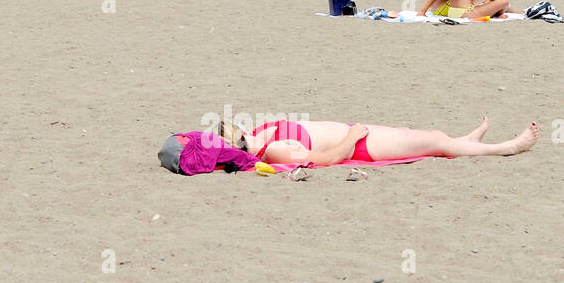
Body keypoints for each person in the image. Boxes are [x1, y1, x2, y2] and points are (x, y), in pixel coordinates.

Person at [218, 115, 538, 166]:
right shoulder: (271, 152)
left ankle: (465, 141)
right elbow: (324, 160)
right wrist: (352, 137)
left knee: (428, 138)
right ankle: (506, 148)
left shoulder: (260, 135)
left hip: (354, 132)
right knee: (435, 142)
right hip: (358, 144)